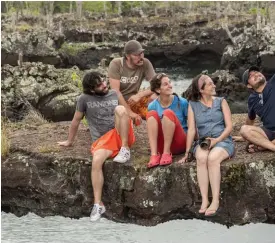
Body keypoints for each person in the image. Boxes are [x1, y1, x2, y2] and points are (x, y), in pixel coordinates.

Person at [58, 71, 135, 222]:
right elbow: (76, 120)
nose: (104, 85)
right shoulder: (84, 99)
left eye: (104, 81)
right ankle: (98, 204)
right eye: (99, 85)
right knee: (96, 161)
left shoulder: (114, 94)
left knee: (119, 109)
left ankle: (125, 149)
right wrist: (69, 141)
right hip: (103, 141)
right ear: (92, 89)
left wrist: (137, 114)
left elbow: (127, 112)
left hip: (121, 133)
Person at [178, 73, 235, 217]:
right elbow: (191, 129)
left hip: (223, 140)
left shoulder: (221, 101)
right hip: (203, 142)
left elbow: (229, 127)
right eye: (210, 84)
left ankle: (215, 200)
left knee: (213, 159)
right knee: (202, 158)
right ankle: (204, 200)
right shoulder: (193, 105)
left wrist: (216, 141)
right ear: (201, 90)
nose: (214, 85)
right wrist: (186, 153)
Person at [108, 40, 156, 124]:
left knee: (157, 95)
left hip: (135, 100)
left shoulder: (145, 63)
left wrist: (139, 95)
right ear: (127, 56)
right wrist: (129, 112)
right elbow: (115, 92)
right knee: (123, 113)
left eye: (141, 53)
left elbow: (157, 85)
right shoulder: (116, 64)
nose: (141, 57)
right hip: (118, 102)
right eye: (136, 55)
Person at [146, 73, 188, 168]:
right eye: (165, 84)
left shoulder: (182, 102)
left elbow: (192, 125)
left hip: (180, 143)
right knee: (151, 114)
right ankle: (154, 155)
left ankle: (166, 153)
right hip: (162, 144)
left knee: (168, 113)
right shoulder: (152, 106)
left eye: (169, 82)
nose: (170, 85)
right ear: (157, 89)